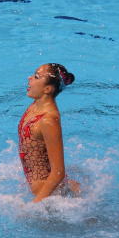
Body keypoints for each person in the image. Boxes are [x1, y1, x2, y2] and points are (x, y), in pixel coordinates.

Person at [18, 63, 80, 202]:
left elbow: (58, 172)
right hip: (46, 192)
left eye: (36, 76)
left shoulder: (48, 120)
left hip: (51, 198)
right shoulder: (36, 105)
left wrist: (34, 205)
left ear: (47, 89)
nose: (29, 78)